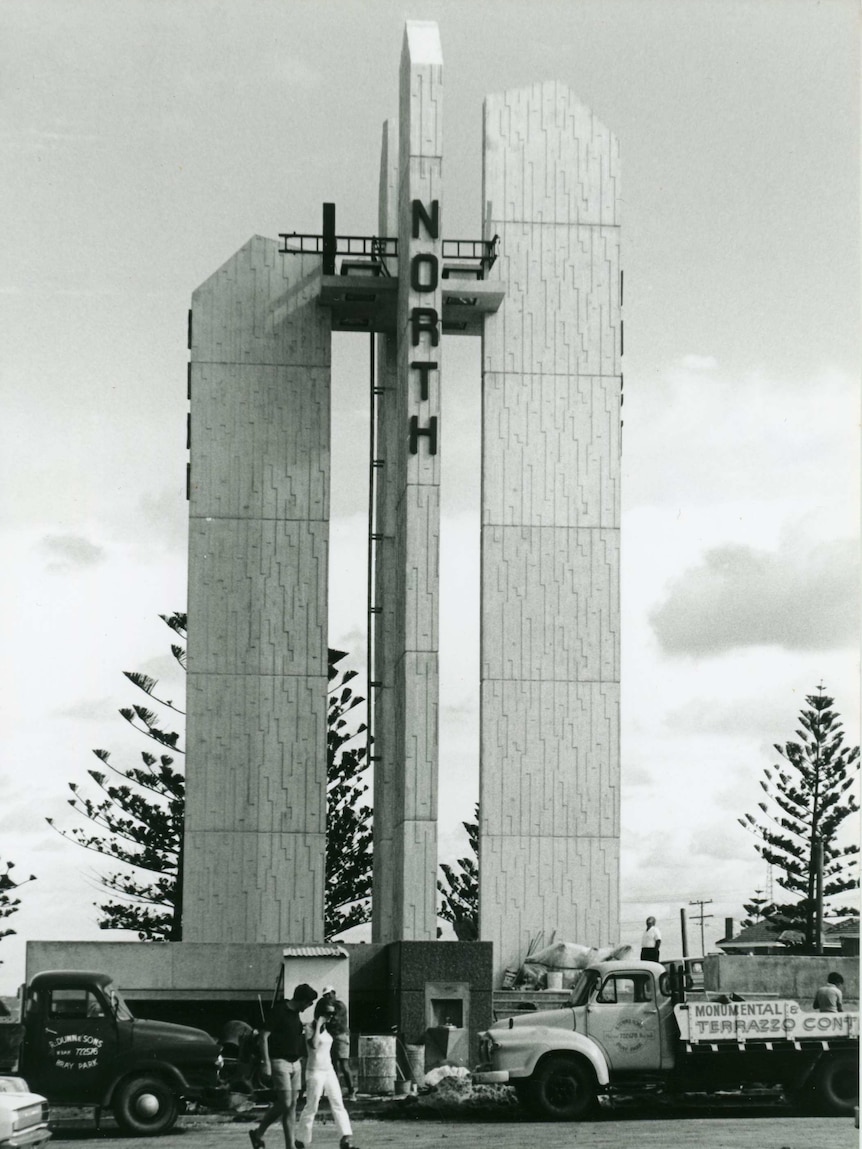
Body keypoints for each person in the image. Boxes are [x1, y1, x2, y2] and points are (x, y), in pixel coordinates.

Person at [248, 982, 317, 1149]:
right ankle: (259, 1132)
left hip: (295, 1064)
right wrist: (266, 1063)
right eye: (308, 1003)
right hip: (279, 1062)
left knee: (291, 1107)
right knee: (285, 1103)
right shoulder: (279, 1011)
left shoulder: (295, 1015)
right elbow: (263, 1037)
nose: (308, 1007)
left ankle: (290, 1146)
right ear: (302, 1000)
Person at [295, 999, 356, 1149]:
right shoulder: (310, 1028)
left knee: (338, 1102)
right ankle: (301, 1139)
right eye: (328, 1013)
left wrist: (327, 1024)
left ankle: (345, 1138)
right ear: (320, 1013)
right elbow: (314, 1045)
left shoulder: (329, 1029)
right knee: (312, 1106)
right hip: (314, 1071)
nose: (331, 1017)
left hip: (328, 1070)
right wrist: (318, 1025)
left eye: (332, 1014)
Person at [319, 985, 356, 1100]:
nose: (327, 997)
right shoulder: (327, 1006)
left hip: (340, 1036)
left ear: (334, 993)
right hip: (330, 1036)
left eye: (329, 994)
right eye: (325, 995)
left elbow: (334, 1018)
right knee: (333, 1065)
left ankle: (351, 1091)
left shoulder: (340, 1005)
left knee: (344, 1065)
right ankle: (335, 1091)